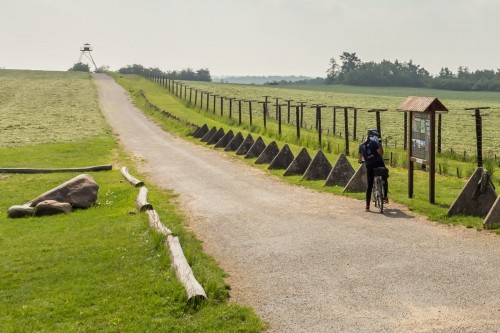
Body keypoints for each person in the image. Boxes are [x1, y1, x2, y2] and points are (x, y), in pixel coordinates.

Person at [358, 129, 389, 211]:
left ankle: (367, 205)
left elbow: (359, 158)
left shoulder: (361, 145)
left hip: (369, 166)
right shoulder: (374, 143)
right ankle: (385, 197)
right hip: (379, 163)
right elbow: (381, 153)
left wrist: (361, 161)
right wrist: (380, 145)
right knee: (384, 177)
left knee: (370, 185)